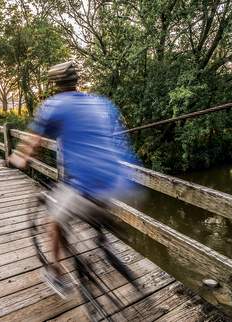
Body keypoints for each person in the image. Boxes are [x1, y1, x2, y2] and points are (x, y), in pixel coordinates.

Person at [8, 61, 139, 297]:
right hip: (120, 182)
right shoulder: (100, 102)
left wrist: (18, 159)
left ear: (55, 84)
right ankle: (106, 245)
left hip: (84, 185)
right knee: (96, 217)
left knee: (54, 222)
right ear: (76, 81)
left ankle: (56, 272)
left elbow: (32, 143)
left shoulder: (54, 105)